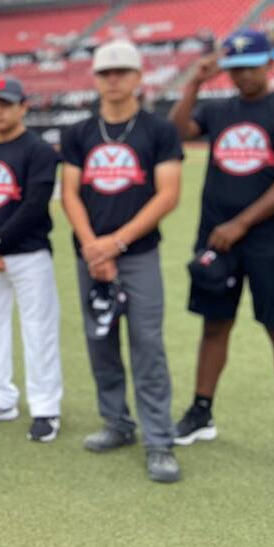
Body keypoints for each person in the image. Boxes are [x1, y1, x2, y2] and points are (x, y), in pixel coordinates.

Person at [169, 29, 274, 476]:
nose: (242, 76)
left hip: (267, 239)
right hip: (217, 239)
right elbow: (175, 133)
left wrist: (241, 223)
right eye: (234, 69)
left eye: (250, 66)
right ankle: (201, 412)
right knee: (215, 326)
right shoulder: (219, 110)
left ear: (270, 64)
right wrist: (193, 82)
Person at [60, 41, 183, 483]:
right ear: (95, 79)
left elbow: (168, 194)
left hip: (139, 254)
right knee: (101, 341)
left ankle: (159, 441)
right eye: (105, 73)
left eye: (121, 72)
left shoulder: (158, 130)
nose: (113, 80)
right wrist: (93, 246)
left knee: (148, 345)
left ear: (137, 77)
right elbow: (69, 193)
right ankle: (116, 423)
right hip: (90, 257)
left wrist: (115, 243)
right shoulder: (77, 133)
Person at [0, 77, 63, 442]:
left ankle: (46, 407)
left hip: (29, 255)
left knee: (39, 330)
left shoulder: (38, 151)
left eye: (6, 104)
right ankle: (0, 397)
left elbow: (35, 206)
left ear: (23, 107)